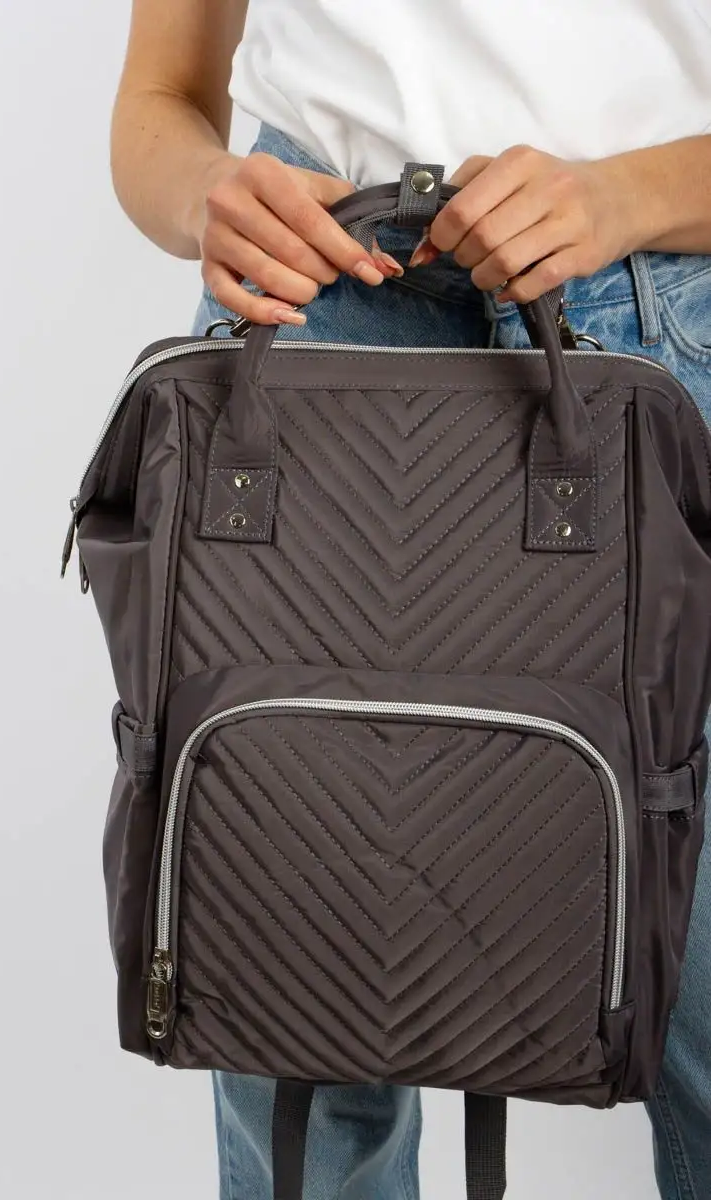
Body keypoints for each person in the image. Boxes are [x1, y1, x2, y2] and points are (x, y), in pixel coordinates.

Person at [110, 2, 711, 1196]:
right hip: (309, 301)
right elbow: (157, 102)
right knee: (298, 1033)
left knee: (696, 985)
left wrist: (625, 195)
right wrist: (209, 195)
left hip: (643, 320)